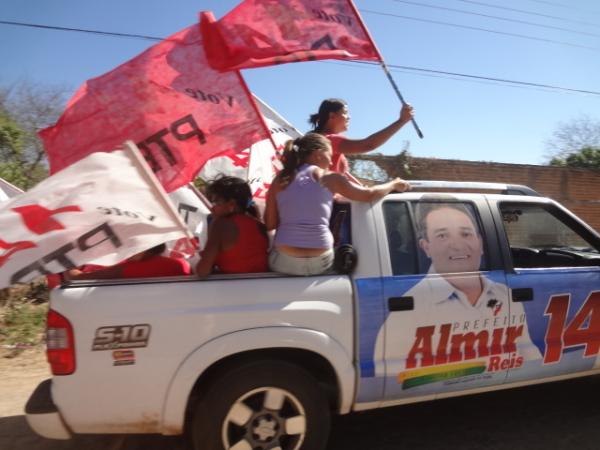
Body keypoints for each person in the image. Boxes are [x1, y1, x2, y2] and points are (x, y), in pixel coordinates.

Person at [373, 202, 541, 396]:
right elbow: (390, 381)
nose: (457, 244)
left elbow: (529, 354)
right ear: (426, 247)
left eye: (466, 234)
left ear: (480, 242)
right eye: (442, 235)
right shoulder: (407, 311)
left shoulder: (505, 294)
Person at [264, 133, 410, 276]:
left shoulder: (280, 179)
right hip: (320, 260)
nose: (332, 162)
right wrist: (394, 184)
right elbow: (369, 194)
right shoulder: (330, 178)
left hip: (284, 260)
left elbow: (270, 224)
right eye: (330, 155)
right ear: (318, 153)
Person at [308, 98, 414, 179]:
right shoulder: (329, 140)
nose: (349, 117)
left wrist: (362, 187)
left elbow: (343, 175)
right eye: (345, 113)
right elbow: (368, 145)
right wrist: (401, 121)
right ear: (332, 116)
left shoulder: (324, 139)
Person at [196, 176, 268, 276]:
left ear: (231, 204)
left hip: (232, 288)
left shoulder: (221, 224)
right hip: (263, 286)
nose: (212, 208)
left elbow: (202, 271)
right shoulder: (259, 225)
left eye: (216, 202)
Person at [64, 244, 191, 280]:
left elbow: (78, 278)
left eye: (129, 244)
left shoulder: (131, 268)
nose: (123, 249)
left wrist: (66, 265)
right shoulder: (181, 264)